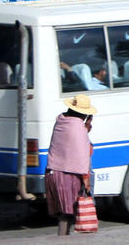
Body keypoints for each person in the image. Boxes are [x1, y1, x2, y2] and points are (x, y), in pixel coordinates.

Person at [45, 94, 97, 236]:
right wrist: (86, 182)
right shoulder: (78, 128)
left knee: (64, 212)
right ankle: (63, 239)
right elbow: (83, 155)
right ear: (85, 114)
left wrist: (85, 129)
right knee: (69, 213)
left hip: (53, 172)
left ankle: (63, 237)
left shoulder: (61, 122)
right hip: (69, 175)